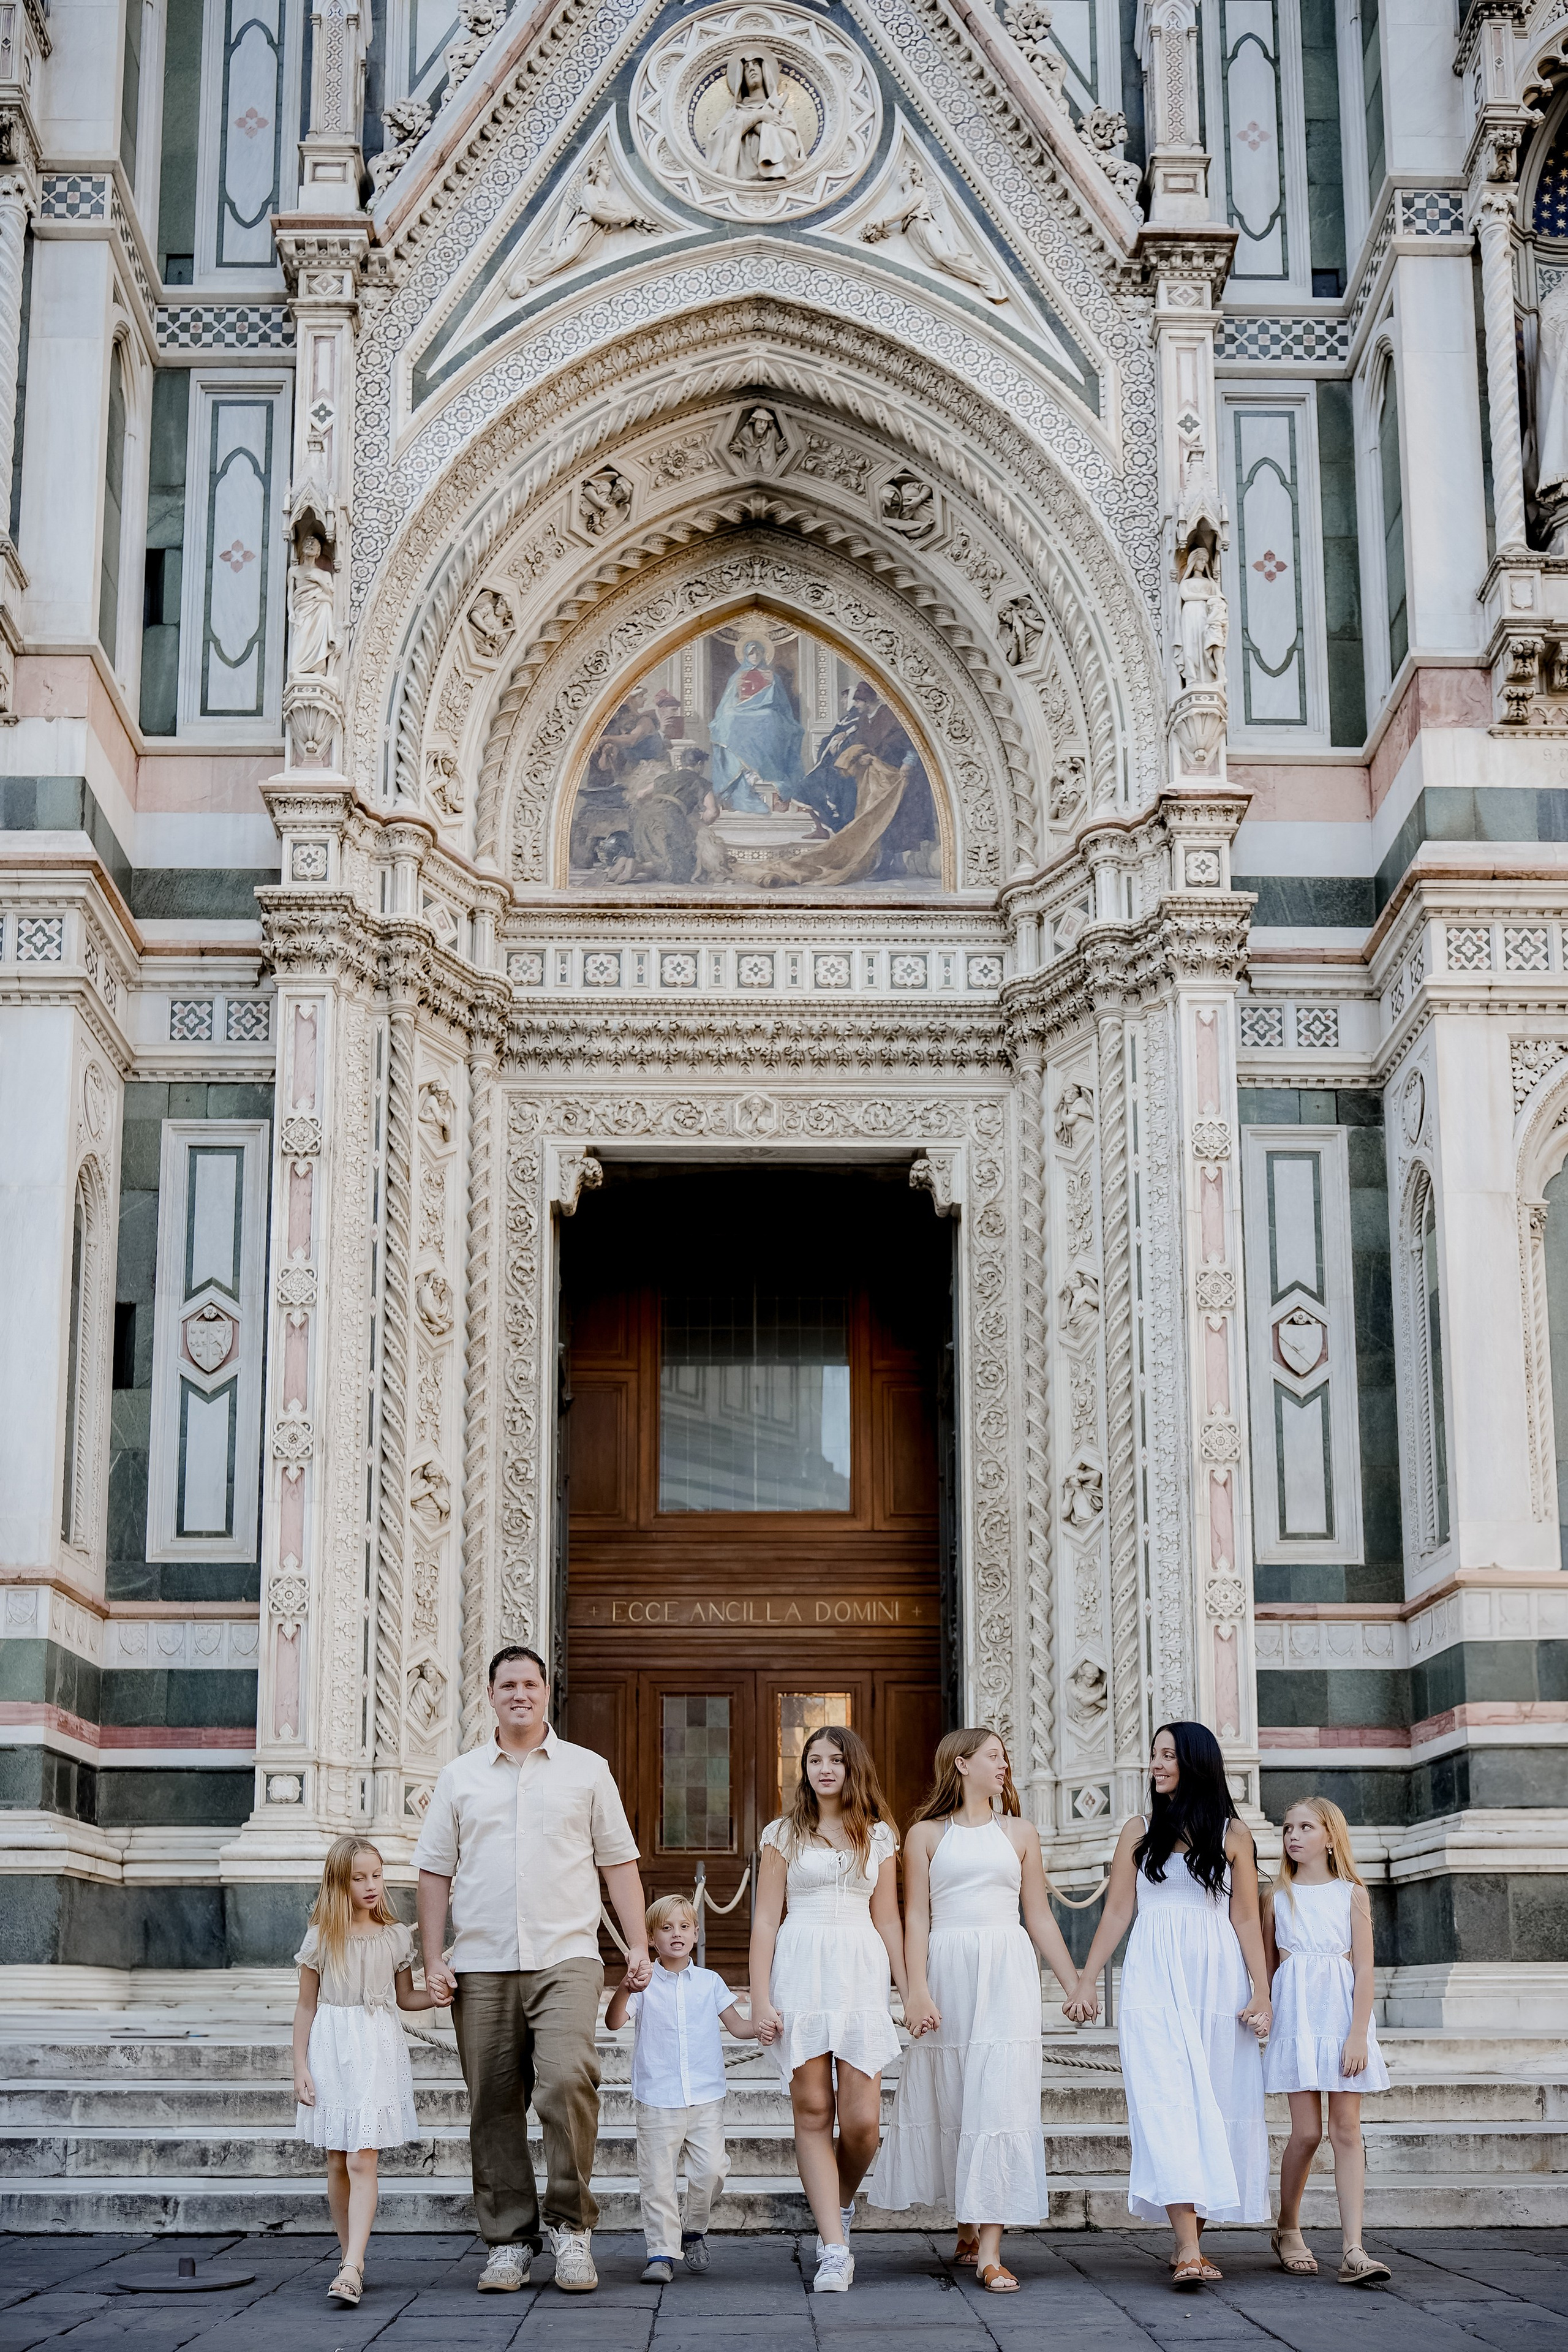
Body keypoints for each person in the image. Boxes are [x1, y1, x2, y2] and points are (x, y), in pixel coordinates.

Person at [413, 1645, 652, 2296]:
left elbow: (619, 1863)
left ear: (547, 1693)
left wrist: (637, 1946)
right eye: (508, 1684)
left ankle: (572, 2230)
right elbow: (433, 1870)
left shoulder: (587, 1771)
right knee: (492, 2106)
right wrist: (433, 1957)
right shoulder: (460, 1777)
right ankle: (509, 2242)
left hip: (566, 1956)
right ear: (489, 1695)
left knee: (569, 2081)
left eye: (530, 1683)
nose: (520, 1693)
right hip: (483, 1963)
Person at [870, 1726, 1079, 2293]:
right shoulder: (924, 1836)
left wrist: (1074, 1984)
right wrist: (914, 1990)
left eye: (1006, 1757)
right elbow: (916, 1917)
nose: (1004, 1765)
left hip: (1006, 1972)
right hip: (948, 1969)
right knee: (955, 2092)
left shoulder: (1022, 1833)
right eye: (994, 1756)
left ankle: (990, 2250)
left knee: (1000, 2098)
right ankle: (966, 2226)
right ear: (961, 1765)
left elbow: (1038, 1916)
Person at [1066, 1721, 1272, 2288]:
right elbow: (1116, 1912)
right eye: (1154, 1755)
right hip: (1154, 1979)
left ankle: (1194, 2239)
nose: (1155, 1765)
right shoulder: (1138, 1829)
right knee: (1167, 2101)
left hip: (1216, 1978)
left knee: (1216, 2099)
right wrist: (1086, 1980)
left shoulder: (1233, 1834)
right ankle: (1186, 2246)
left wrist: (1261, 1989)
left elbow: (1247, 1918)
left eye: (1167, 1755)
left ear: (1195, 1763)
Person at [748, 1724, 907, 2294]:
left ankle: (834, 2206)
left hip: (860, 1972)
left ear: (852, 1767)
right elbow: (765, 1919)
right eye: (814, 1760)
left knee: (863, 2123)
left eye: (835, 1760)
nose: (823, 1769)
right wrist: (760, 1996)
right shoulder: (783, 1834)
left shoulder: (880, 1836)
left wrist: (909, 1990)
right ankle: (834, 2249)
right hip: (800, 1970)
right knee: (813, 2109)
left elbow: (889, 1918)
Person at [291, 1835, 449, 2307]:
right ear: (339, 1883)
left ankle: (352, 2266)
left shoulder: (396, 1936)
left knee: (363, 2157)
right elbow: (305, 2007)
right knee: (337, 2159)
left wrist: (439, 1994)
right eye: (360, 1878)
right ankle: (350, 2257)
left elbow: (407, 1998)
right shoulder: (321, 1937)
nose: (371, 1886)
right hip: (332, 2046)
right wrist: (299, 2066)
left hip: (378, 2046)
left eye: (377, 1876)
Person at [1264, 1798, 1392, 2287]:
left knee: (1346, 2130)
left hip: (1342, 2024)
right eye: (1287, 1828)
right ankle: (1287, 2228)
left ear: (1330, 1836)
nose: (1293, 1836)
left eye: (1305, 1827)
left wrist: (1358, 2032)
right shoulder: (1277, 1896)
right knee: (1306, 2133)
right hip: (1297, 2026)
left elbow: (1363, 1967)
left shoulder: (1352, 1894)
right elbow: (1272, 1970)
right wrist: (1264, 2011)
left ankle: (1353, 2248)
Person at [605, 1893, 758, 2283]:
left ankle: (694, 2229)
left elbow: (740, 2028)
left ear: (696, 1934)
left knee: (711, 2171)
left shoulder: (710, 1982)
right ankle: (661, 2253)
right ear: (652, 1939)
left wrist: (771, 2024)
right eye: (667, 1928)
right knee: (658, 2178)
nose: (677, 1934)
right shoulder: (644, 1983)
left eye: (684, 1927)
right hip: (657, 2097)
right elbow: (614, 2022)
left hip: (706, 2095)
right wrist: (626, 1987)